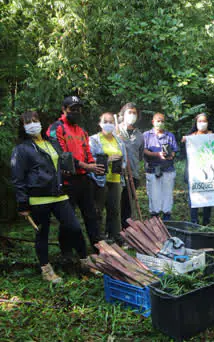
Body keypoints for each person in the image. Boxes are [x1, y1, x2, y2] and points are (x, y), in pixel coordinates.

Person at [11, 111, 88, 283]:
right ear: (23, 128)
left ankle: (85, 261)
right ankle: (46, 270)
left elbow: (60, 162)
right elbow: (18, 178)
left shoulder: (50, 142)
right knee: (42, 234)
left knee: (74, 228)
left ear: (40, 122)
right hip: (38, 198)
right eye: (27, 122)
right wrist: (23, 203)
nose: (32, 124)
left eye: (35, 120)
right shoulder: (21, 149)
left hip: (59, 195)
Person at [47, 95, 104, 252]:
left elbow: (87, 152)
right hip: (66, 180)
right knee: (68, 218)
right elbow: (61, 155)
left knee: (91, 215)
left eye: (78, 109)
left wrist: (93, 166)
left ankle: (98, 248)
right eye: (72, 109)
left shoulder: (82, 131)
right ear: (64, 109)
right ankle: (66, 252)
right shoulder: (56, 128)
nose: (76, 112)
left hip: (84, 179)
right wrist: (86, 166)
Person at [89, 112, 127, 244]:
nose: (109, 124)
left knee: (115, 210)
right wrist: (108, 160)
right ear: (100, 123)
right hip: (99, 179)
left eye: (111, 121)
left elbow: (124, 159)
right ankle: (98, 238)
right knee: (98, 210)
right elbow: (89, 159)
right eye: (106, 121)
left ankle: (115, 236)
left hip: (115, 179)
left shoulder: (119, 140)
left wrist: (122, 166)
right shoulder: (94, 140)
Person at [181, 113, 214, 225]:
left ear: (208, 123)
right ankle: (194, 222)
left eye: (204, 121)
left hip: (210, 172)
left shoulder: (213, 135)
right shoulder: (191, 136)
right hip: (194, 173)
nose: (202, 123)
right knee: (194, 197)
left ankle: (206, 222)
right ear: (196, 123)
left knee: (208, 197)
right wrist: (185, 139)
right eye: (199, 121)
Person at [143, 112, 179, 220]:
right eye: (158, 121)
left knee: (167, 196)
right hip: (152, 169)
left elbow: (174, 150)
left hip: (168, 169)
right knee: (154, 196)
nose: (160, 123)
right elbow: (144, 150)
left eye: (162, 121)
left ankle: (167, 220)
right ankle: (155, 220)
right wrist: (157, 154)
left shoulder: (170, 135)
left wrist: (171, 155)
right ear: (153, 122)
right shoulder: (146, 135)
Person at [116, 103, 144, 228]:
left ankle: (127, 232)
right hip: (117, 174)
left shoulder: (139, 135)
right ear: (123, 114)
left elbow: (140, 155)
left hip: (133, 174)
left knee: (127, 205)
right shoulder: (115, 130)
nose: (132, 115)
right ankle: (112, 232)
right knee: (114, 205)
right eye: (129, 112)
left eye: (134, 113)